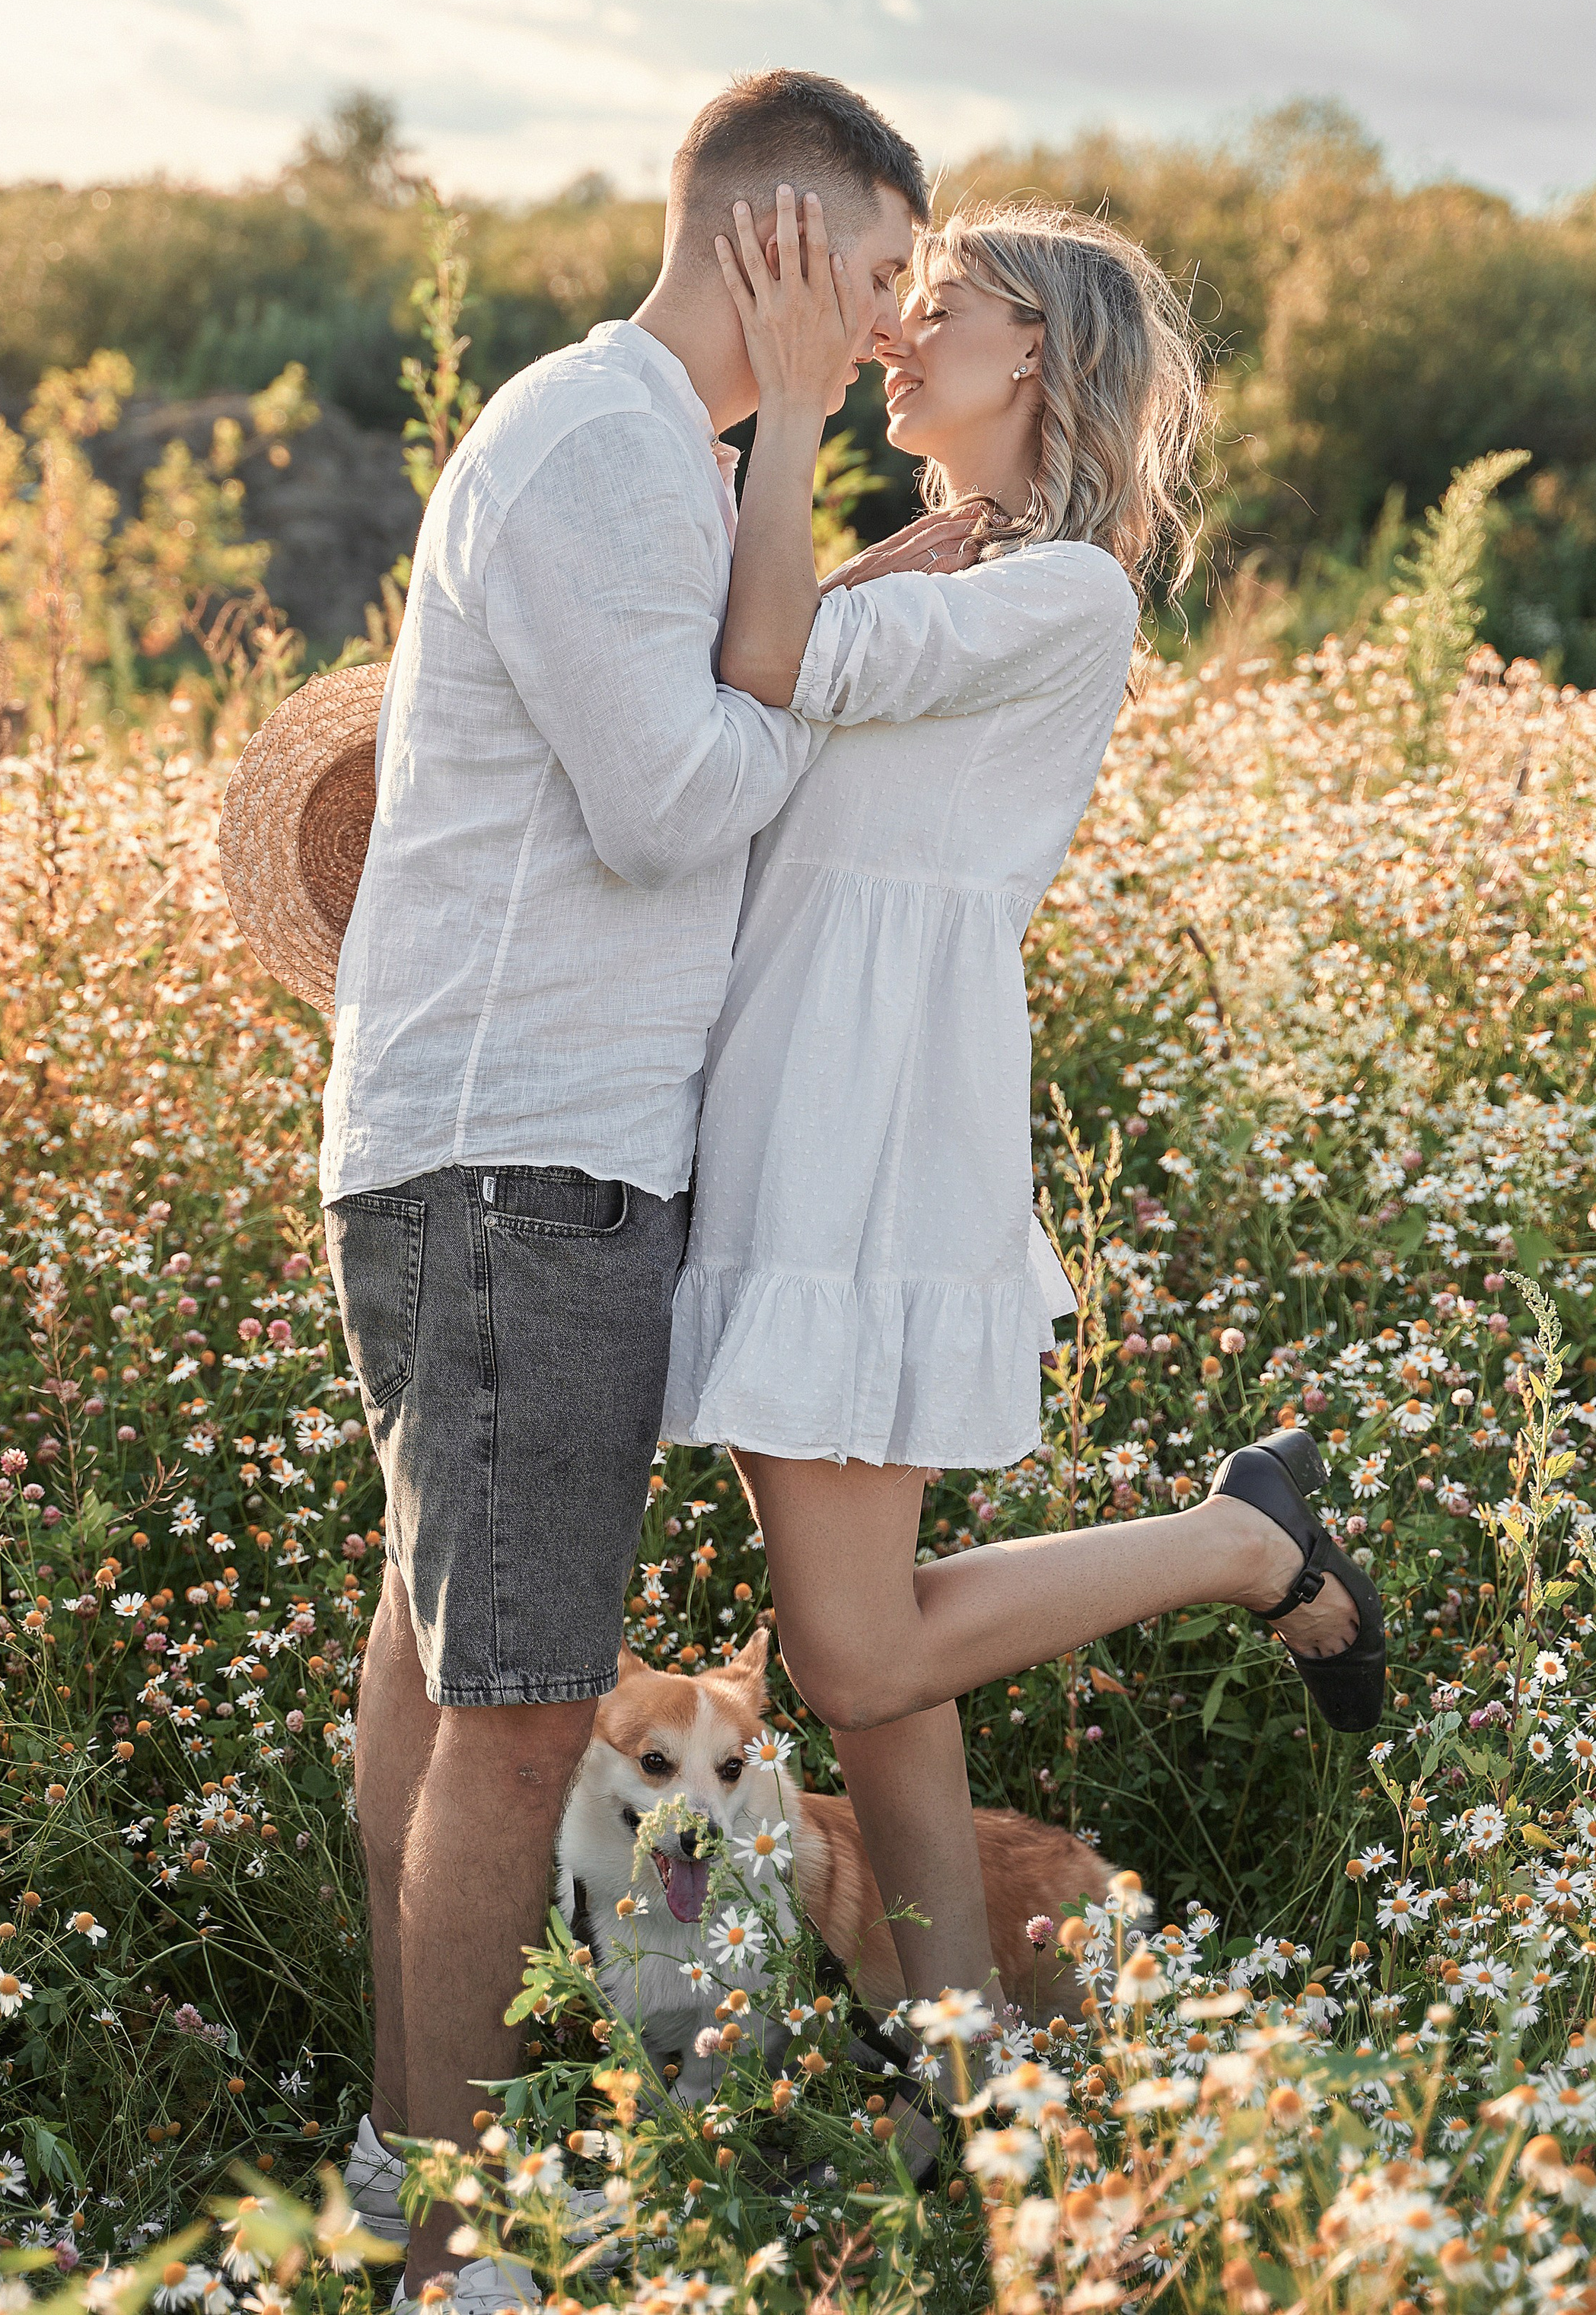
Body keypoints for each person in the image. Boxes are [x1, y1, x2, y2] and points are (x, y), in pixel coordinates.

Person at [322, 73, 951, 2308]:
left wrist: (838, 551)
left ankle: (410, 2168)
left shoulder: (651, 466)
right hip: (519, 1154)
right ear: (778, 244)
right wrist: (792, 462)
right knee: (515, 1705)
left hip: (526, 1148)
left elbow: (708, 697)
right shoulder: (602, 442)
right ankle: (453, 2226)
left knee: (437, 1651)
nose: (891, 329)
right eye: (876, 272)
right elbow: (685, 799)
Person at [662, 187, 1387, 2027]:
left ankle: (1245, 1544)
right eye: (893, 304)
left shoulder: (1063, 589)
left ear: (1039, 355)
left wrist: (797, 413)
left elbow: (766, 669)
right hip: (778, 1083)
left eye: (940, 303)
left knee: (850, 1644)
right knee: (880, 1650)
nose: (894, 326)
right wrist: (845, 553)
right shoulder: (953, 569)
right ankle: (955, 2053)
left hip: (873, 1103)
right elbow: (752, 710)